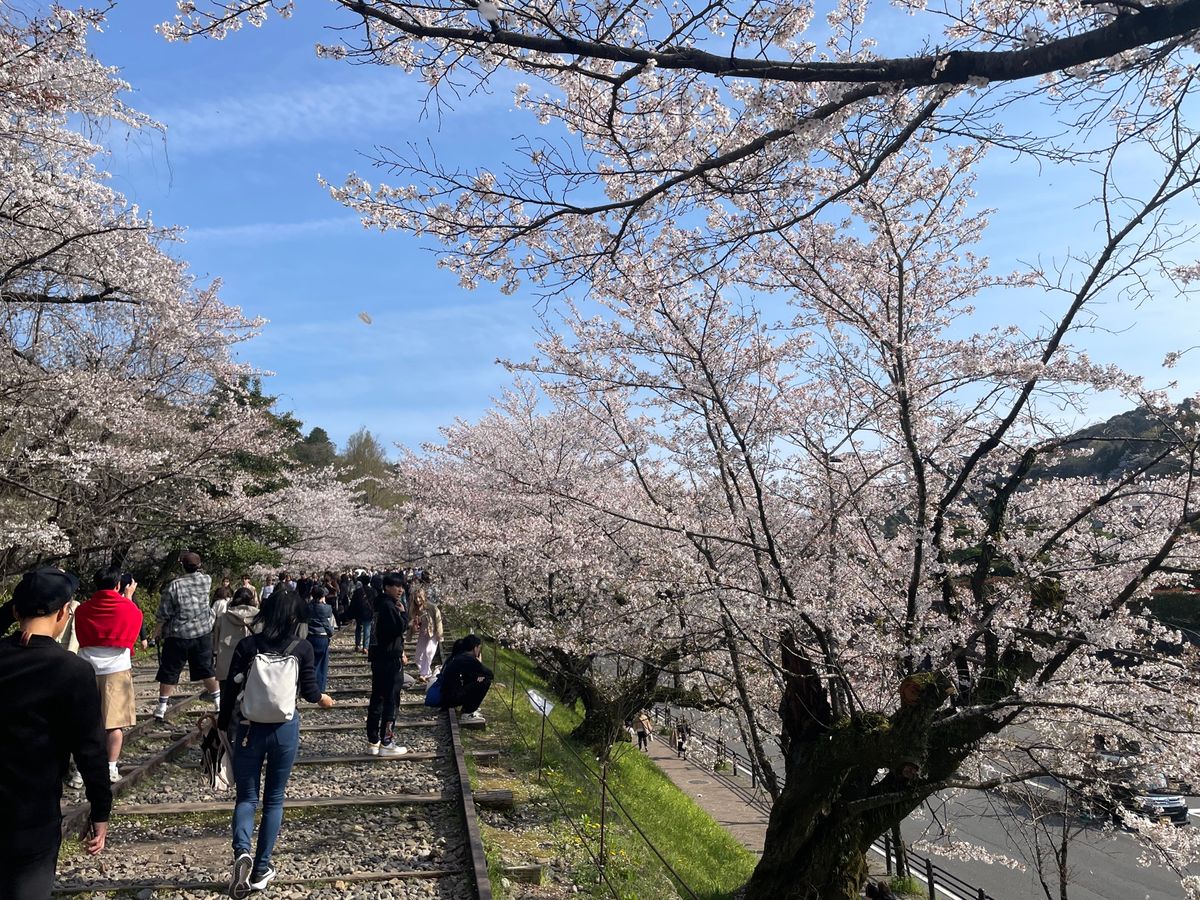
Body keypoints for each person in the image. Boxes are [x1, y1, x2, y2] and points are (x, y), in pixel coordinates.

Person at [0, 567, 110, 898]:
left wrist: (18, 605)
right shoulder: (72, 671)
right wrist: (100, 810)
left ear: (15, 611)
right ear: (64, 613)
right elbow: (90, 749)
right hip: (32, 816)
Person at [220, 589, 334, 897]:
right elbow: (310, 691)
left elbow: (230, 690)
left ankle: (242, 849)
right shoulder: (303, 647)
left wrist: (221, 726)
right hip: (284, 729)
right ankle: (260, 869)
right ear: (296, 618)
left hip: (248, 729)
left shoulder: (248, 645)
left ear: (264, 613)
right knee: (274, 799)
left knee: (246, 798)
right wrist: (323, 699)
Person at [75, 566, 144, 783]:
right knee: (114, 724)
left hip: (86, 669)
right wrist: (129, 598)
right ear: (117, 586)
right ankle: (111, 767)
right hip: (116, 669)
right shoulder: (129, 608)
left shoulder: (83, 610)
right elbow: (133, 629)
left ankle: (79, 770)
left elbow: (80, 635)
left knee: (85, 723)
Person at [154, 551, 219, 721]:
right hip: (202, 632)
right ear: (199, 566)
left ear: (182, 566)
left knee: (169, 670)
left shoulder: (174, 585)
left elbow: (164, 612)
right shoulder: (206, 580)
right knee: (207, 669)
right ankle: (218, 702)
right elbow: (201, 573)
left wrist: (158, 630)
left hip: (178, 634)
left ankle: (161, 707)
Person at [366, 573, 410, 756]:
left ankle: (373, 741)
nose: (400, 590)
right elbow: (398, 628)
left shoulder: (378, 603)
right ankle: (387, 741)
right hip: (390, 658)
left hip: (378, 657)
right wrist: (404, 614)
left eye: (401, 586)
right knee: (391, 699)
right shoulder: (389, 606)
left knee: (377, 697)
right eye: (395, 586)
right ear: (386, 587)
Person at [438, 635, 493, 723]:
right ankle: (468, 713)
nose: (479, 651)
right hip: (452, 698)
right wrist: (479, 663)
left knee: (477, 679)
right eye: (479, 648)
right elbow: (489, 674)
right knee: (485, 681)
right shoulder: (468, 659)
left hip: (447, 696)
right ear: (475, 648)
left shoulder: (460, 657)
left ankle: (467, 709)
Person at [213, 588, 259, 682]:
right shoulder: (258, 618)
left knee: (226, 694)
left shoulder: (223, 618)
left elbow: (215, 644)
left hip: (226, 665)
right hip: (250, 665)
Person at [305, 585, 337, 691]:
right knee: (322, 664)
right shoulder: (327, 608)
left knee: (310, 663)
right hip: (322, 636)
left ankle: (309, 686)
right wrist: (331, 632)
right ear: (322, 596)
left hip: (310, 636)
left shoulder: (308, 607)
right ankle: (320, 688)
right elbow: (328, 623)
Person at [409, 587, 443, 682]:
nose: (418, 600)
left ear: (424, 597)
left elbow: (438, 620)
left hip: (433, 633)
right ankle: (427, 672)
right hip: (423, 633)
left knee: (429, 652)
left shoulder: (432, 607)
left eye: (420, 597)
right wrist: (413, 626)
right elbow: (411, 623)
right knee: (418, 656)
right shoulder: (413, 609)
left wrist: (439, 634)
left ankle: (424, 674)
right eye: (416, 598)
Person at [349, 574, 375, 653]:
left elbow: (353, 603)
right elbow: (375, 602)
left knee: (358, 629)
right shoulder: (373, 591)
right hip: (369, 612)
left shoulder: (358, 591)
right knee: (367, 629)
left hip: (359, 613)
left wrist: (352, 613)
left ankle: (357, 645)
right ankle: (365, 647)